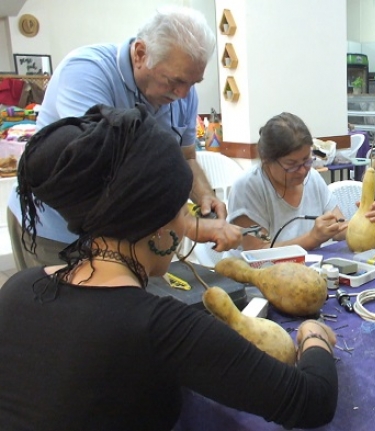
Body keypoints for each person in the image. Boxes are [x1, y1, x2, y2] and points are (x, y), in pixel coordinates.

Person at [0, 105, 338, 430]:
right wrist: (313, 335)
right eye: (184, 210)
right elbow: (312, 401)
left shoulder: (20, 287)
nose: (186, 224)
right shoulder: (159, 328)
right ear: (159, 223)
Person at [6, 6, 240, 271]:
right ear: (140, 54)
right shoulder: (86, 72)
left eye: (193, 82)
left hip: (121, 238)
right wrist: (186, 223)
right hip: (55, 231)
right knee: (66, 308)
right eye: (175, 81)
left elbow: (186, 157)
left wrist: (205, 196)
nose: (184, 94)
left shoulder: (182, 93)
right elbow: (104, 173)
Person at [228, 112, 375, 251]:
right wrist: (312, 239)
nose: (303, 170)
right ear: (266, 160)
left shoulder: (313, 178)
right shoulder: (248, 188)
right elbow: (257, 251)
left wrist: (365, 223)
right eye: (291, 165)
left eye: (306, 160)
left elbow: (338, 228)